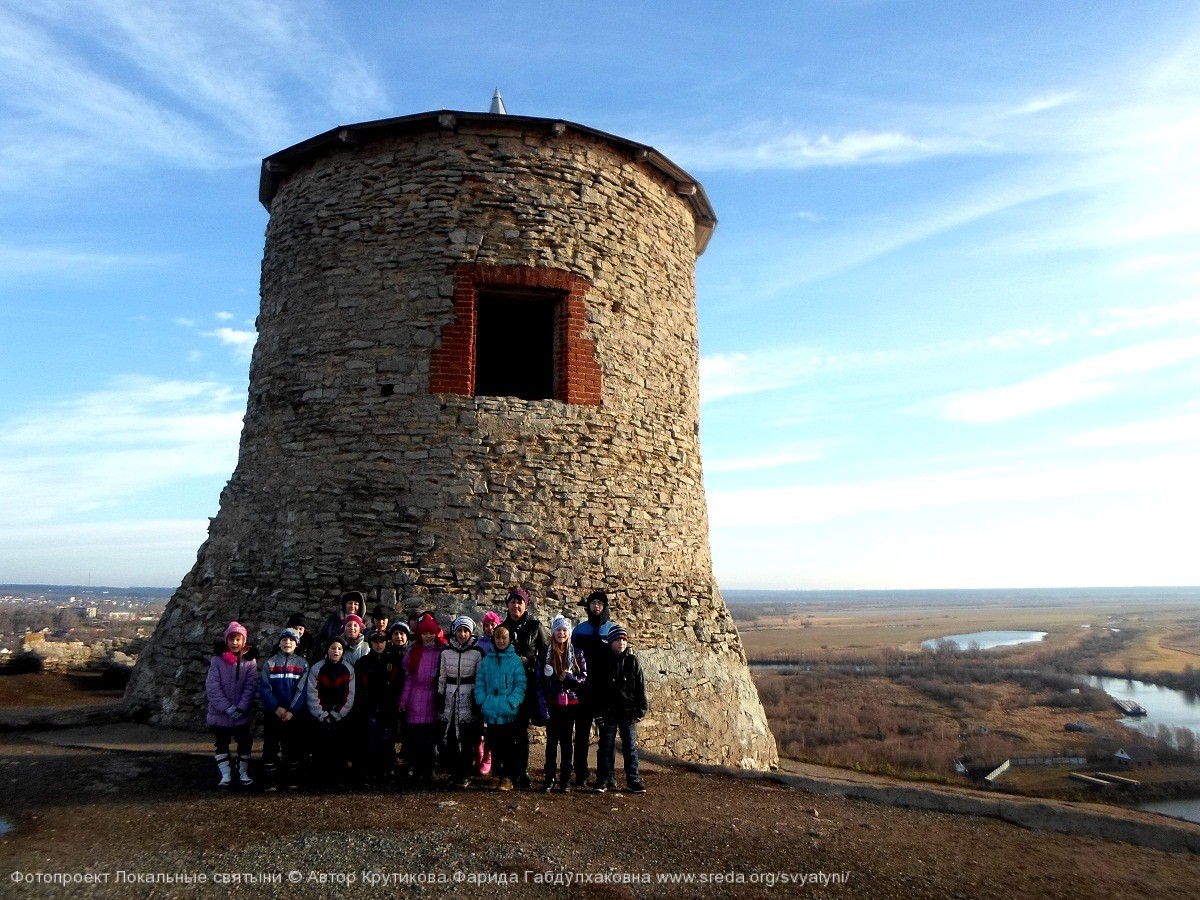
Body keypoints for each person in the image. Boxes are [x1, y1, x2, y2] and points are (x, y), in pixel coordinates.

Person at [500, 587, 548, 789]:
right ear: (508, 605)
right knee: (507, 730)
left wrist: (530, 660)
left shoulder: (535, 626)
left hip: (526, 685)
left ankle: (522, 771)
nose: (516, 605)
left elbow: (547, 654)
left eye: (520, 602)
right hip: (506, 686)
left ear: (525, 605)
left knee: (520, 730)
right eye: (513, 602)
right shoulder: (502, 628)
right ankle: (508, 773)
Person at [592, 626, 647, 794]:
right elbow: (597, 688)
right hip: (608, 711)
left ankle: (633, 781)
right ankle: (603, 780)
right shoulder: (603, 661)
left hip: (628, 711)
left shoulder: (632, 660)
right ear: (611, 642)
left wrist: (641, 709)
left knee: (630, 747)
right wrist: (597, 712)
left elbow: (640, 686)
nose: (621, 643)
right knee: (606, 747)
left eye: (624, 639)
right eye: (617, 639)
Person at [205, 621, 258, 788]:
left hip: (241, 713)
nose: (234, 643)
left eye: (238, 639)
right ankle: (226, 774)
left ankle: (242, 772)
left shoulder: (250, 661)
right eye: (231, 639)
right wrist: (226, 707)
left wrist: (242, 706)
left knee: (245, 742)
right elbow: (213, 687)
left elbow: (251, 685)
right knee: (222, 743)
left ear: (244, 641)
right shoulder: (217, 661)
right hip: (220, 713)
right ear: (226, 641)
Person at [537, 615, 587, 792]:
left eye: (564, 630)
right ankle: (549, 778)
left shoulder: (577, 653)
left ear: (569, 632)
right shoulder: (546, 652)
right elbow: (540, 680)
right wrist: (544, 702)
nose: (561, 633)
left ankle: (565, 779)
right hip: (552, 702)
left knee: (566, 742)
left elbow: (584, 678)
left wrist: (570, 677)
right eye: (558, 630)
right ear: (553, 632)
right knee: (551, 742)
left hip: (570, 703)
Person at [571, 589, 615, 786]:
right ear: (588, 607)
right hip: (584, 689)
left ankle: (607, 775)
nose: (596, 607)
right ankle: (580, 773)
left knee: (606, 736)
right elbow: (572, 658)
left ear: (604, 607)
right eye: (593, 603)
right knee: (581, 734)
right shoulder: (580, 630)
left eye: (600, 603)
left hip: (605, 690)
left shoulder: (612, 629)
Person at [475, 625, 526, 792]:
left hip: (508, 711)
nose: (501, 641)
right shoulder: (488, 660)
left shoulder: (515, 660)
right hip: (491, 710)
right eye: (498, 638)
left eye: (504, 638)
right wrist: (482, 700)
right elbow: (480, 682)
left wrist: (511, 702)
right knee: (494, 744)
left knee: (509, 745)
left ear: (509, 639)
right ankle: (496, 774)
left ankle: (508, 777)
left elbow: (520, 684)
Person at [258, 626, 309, 791]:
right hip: (274, 713)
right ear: (279, 643)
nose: (288, 642)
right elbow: (265, 688)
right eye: (284, 640)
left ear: (297, 644)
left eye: (291, 640)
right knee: (271, 745)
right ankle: (269, 779)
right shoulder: (270, 663)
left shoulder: (302, 664)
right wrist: (275, 707)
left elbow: (302, 689)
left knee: (293, 745)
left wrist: (292, 710)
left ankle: (292, 778)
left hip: (293, 714)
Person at [399, 612, 446, 785]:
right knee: (416, 740)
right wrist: (403, 701)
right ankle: (417, 771)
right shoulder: (413, 653)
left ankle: (429, 770)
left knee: (430, 740)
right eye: (425, 633)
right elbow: (409, 680)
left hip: (432, 699)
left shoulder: (441, 652)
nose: (428, 636)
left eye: (431, 633)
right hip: (415, 700)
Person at [438, 615, 485, 788]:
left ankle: (465, 773)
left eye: (466, 631)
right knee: (450, 738)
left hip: (468, 698)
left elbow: (480, 678)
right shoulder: (445, 652)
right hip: (450, 698)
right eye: (460, 630)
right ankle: (455, 771)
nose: (462, 634)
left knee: (468, 739)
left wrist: (477, 700)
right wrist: (440, 696)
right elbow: (442, 676)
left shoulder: (477, 653)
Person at [305, 635, 356, 784]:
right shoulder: (317, 668)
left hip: (340, 715)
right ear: (327, 650)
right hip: (320, 715)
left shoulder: (348, 670)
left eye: (339, 649)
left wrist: (336, 714)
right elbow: (312, 693)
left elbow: (349, 695)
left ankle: (338, 775)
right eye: (333, 648)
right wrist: (322, 714)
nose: (336, 651)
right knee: (320, 746)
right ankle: (320, 775)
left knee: (339, 745)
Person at [355, 630, 400, 785]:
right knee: (370, 739)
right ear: (370, 643)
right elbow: (361, 687)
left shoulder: (394, 661)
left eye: (381, 641)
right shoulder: (362, 663)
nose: (378, 645)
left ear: (386, 642)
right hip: (370, 707)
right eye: (375, 641)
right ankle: (370, 770)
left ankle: (387, 769)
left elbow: (397, 685)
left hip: (389, 707)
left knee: (387, 739)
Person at [474, 610, 502, 775]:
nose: (490, 628)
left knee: (492, 726)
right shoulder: (479, 644)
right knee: (478, 725)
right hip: (481, 689)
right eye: (487, 625)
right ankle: (478, 755)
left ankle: (488, 758)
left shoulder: (502, 643)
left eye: (493, 624)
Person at [316, 591, 365, 657]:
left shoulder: (364, 624)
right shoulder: (332, 621)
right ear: (344, 605)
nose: (353, 606)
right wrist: (327, 647)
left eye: (356, 604)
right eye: (350, 603)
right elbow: (320, 638)